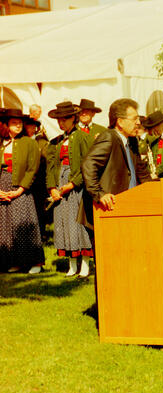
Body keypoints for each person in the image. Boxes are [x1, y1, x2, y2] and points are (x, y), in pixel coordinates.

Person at [80, 98, 152, 220]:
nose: (139, 122)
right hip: (108, 211)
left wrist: (156, 189)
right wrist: (99, 194)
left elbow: (142, 173)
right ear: (120, 122)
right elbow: (88, 165)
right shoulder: (109, 137)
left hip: (129, 207)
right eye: (134, 119)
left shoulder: (132, 140)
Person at [47, 101, 93, 278]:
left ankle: (85, 265)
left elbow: (86, 165)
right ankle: (72, 264)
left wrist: (72, 184)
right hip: (60, 186)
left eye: (65, 119)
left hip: (76, 188)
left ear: (73, 118)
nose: (61, 123)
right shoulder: (56, 142)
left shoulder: (83, 137)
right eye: (59, 120)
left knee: (78, 224)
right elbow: (51, 167)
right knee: (64, 224)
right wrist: (52, 188)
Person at [0, 109, 44, 273]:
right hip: (2, 187)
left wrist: (20, 190)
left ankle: (35, 263)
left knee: (24, 224)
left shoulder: (29, 143)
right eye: (14, 123)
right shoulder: (1, 142)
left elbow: (33, 169)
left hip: (21, 188)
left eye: (20, 123)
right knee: (6, 226)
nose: (18, 125)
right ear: (7, 125)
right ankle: (15, 262)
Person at [24, 116, 49, 240]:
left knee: (39, 207)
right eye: (29, 125)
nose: (31, 128)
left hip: (38, 182)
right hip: (22, 182)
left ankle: (41, 233)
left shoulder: (41, 142)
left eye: (33, 126)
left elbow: (46, 160)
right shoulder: (19, 141)